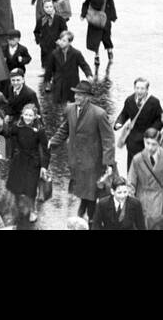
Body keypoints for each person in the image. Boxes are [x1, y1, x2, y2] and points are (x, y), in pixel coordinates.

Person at [47, 79, 115, 221]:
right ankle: (83, 212)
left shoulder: (99, 114)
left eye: (81, 95)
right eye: (76, 94)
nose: (77, 97)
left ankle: (90, 219)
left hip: (93, 160)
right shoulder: (70, 108)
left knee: (90, 190)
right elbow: (65, 128)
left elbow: (108, 139)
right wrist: (53, 142)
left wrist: (108, 162)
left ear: (88, 97)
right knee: (82, 188)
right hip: (75, 158)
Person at [5, 100, 50, 226]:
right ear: (22, 115)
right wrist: (4, 124)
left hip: (33, 161)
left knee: (30, 188)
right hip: (19, 160)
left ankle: (33, 210)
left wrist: (44, 166)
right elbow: (7, 134)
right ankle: (17, 207)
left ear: (35, 116)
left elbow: (45, 149)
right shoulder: (17, 126)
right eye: (26, 115)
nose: (28, 118)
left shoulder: (40, 130)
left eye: (30, 115)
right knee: (15, 186)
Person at [127, 127, 163, 229]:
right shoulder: (137, 159)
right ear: (144, 141)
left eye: (154, 144)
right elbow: (131, 183)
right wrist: (131, 201)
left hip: (162, 199)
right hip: (143, 199)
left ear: (159, 143)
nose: (150, 148)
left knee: (162, 225)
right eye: (147, 143)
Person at [113, 77, 163, 172]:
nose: (139, 91)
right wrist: (118, 123)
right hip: (133, 139)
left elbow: (160, 119)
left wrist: (152, 131)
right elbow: (124, 114)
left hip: (148, 141)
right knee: (132, 166)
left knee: (147, 166)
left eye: (142, 88)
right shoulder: (129, 100)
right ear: (134, 88)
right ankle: (131, 184)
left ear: (147, 89)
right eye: (137, 88)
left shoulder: (154, 102)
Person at [44, 29, 92, 104]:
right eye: (61, 40)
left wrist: (89, 75)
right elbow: (49, 69)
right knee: (61, 106)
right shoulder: (54, 53)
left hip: (72, 83)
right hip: (59, 83)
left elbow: (84, 65)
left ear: (69, 42)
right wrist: (47, 81)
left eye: (64, 41)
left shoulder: (76, 53)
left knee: (72, 105)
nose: (61, 43)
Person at [82, 0, 116, 68]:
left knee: (106, 37)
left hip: (105, 18)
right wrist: (83, 14)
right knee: (94, 39)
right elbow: (86, 3)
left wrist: (113, 16)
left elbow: (111, 3)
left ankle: (109, 51)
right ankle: (96, 56)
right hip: (94, 19)